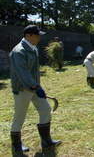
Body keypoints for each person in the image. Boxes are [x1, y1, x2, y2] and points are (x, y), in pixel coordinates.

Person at [9, 25, 62, 155]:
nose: (39, 38)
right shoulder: (19, 51)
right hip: (23, 89)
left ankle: (46, 141)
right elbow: (23, 72)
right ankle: (16, 146)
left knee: (45, 109)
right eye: (36, 35)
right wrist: (35, 86)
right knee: (19, 116)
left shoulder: (33, 49)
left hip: (34, 88)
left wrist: (37, 86)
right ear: (28, 36)